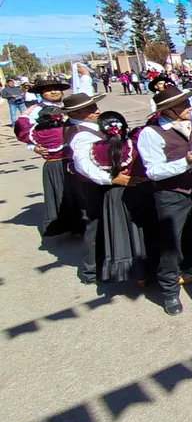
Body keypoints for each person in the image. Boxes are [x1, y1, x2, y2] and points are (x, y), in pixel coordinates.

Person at [137, 87, 192, 315]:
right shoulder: (151, 133)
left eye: (188, 103)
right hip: (171, 194)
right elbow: (153, 171)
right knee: (170, 245)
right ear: (168, 110)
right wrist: (184, 162)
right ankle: (169, 292)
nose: (189, 108)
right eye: (183, 105)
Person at [92, 111, 151, 283]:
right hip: (139, 189)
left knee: (123, 233)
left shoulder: (96, 148)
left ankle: (137, 275)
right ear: (124, 127)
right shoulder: (135, 144)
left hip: (114, 195)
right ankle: (148, 269)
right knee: (143, 231)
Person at [61, 93, 112, 284]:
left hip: (95, 183)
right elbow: (85, 166)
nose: (97, 111)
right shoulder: (81, 133)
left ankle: (98, 264)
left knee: (98, 221)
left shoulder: (83, 127)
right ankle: (91, 269)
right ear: (75, 112)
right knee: (96, 223)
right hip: (95, 184)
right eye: (90, 109)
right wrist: (111, 179)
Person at [15, 104, 83, 237]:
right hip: (69, 164)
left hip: (51, 167)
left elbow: (21, 129)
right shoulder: (67, 129)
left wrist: (25, 113)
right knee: (74, 194)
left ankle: (62, 225)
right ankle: (79, 226)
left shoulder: (35, 132)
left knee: (56, 194)